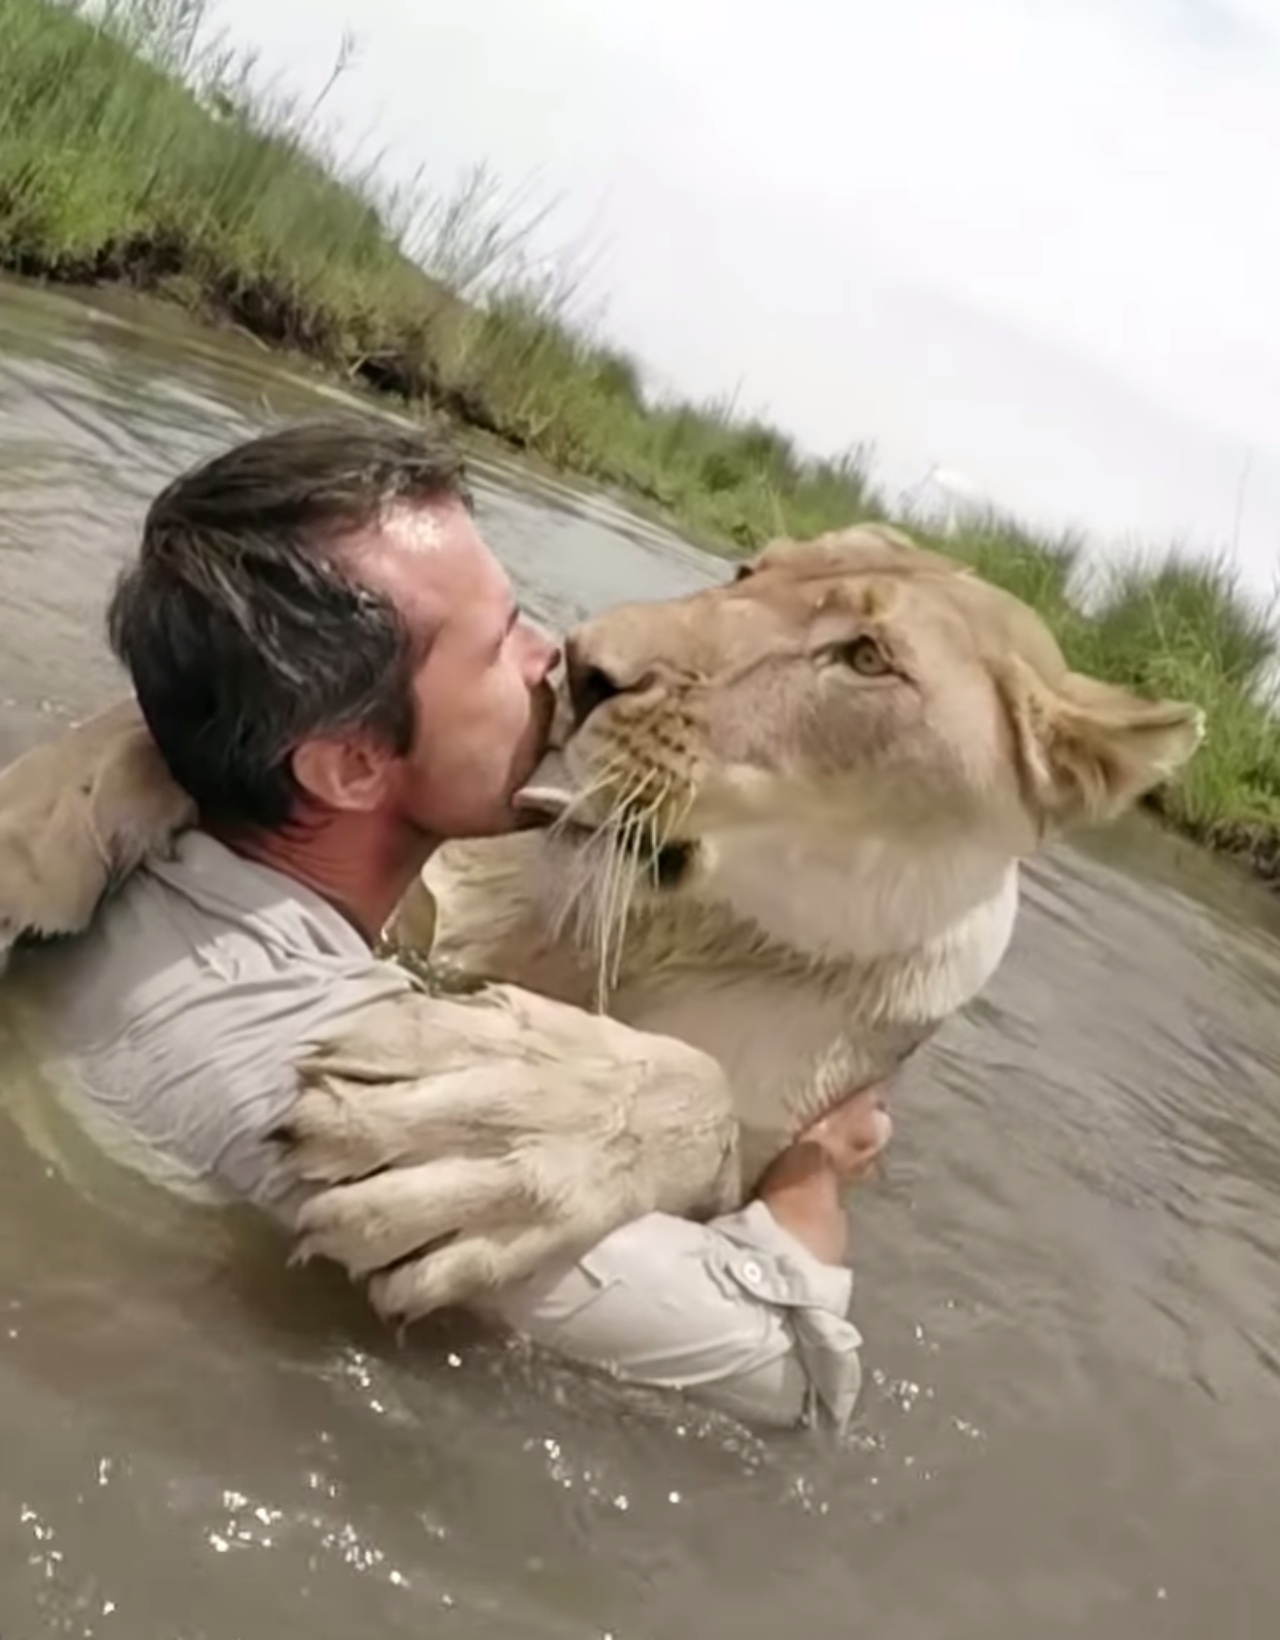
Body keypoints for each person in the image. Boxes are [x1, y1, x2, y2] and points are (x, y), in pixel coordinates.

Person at [11, 418, 891, 1432]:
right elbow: (793, 1381)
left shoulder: (107, 862)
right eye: (500, 641)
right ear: (347, 764)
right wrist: (813, 1168)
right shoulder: (354, 1100)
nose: (559, 657)